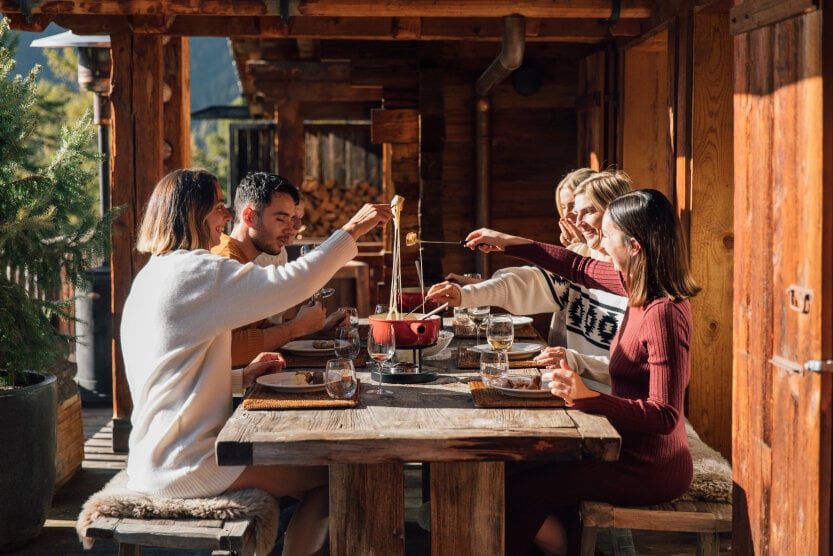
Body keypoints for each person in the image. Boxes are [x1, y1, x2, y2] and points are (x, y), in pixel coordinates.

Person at [120, 168, 391, 555]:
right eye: (217, 209)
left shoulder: (153, 275)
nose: (226, 218)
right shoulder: (197, 272)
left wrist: (240, 377)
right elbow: (296, 282)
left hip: (153, 457)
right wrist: (352, 229)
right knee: (339, 475)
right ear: (191, 214)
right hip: (186, 466)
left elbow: (167, 372)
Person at [463, 188, 701, 556]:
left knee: (515, 492)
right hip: (618, 444)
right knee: (508, 474)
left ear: (634, 246)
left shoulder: (663, 313)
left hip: (645, 466)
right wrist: (509, 242)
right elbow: (577, 266)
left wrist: (590, 398)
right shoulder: (635, 282)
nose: (600, 243)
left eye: (607, 236)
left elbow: (665, 415)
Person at [428, 170, 632, 388]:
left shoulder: (641, 281)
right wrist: (463, 295)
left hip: (611, 405)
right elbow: (524, 282)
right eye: (572, 210)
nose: (577, 221)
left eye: (588, 212)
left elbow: (635, 368)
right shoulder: (580, 255)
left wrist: (576, 361)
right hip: (571, 392)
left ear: (616, 214)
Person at [211, 173, 346, 367]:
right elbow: (229, 350)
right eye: (281, 220)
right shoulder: (225, 263)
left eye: (293, 220)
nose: (291, 229)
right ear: (249, 217)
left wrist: (314, 329)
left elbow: (257, 330)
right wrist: (295, 328)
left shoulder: (243, 260)